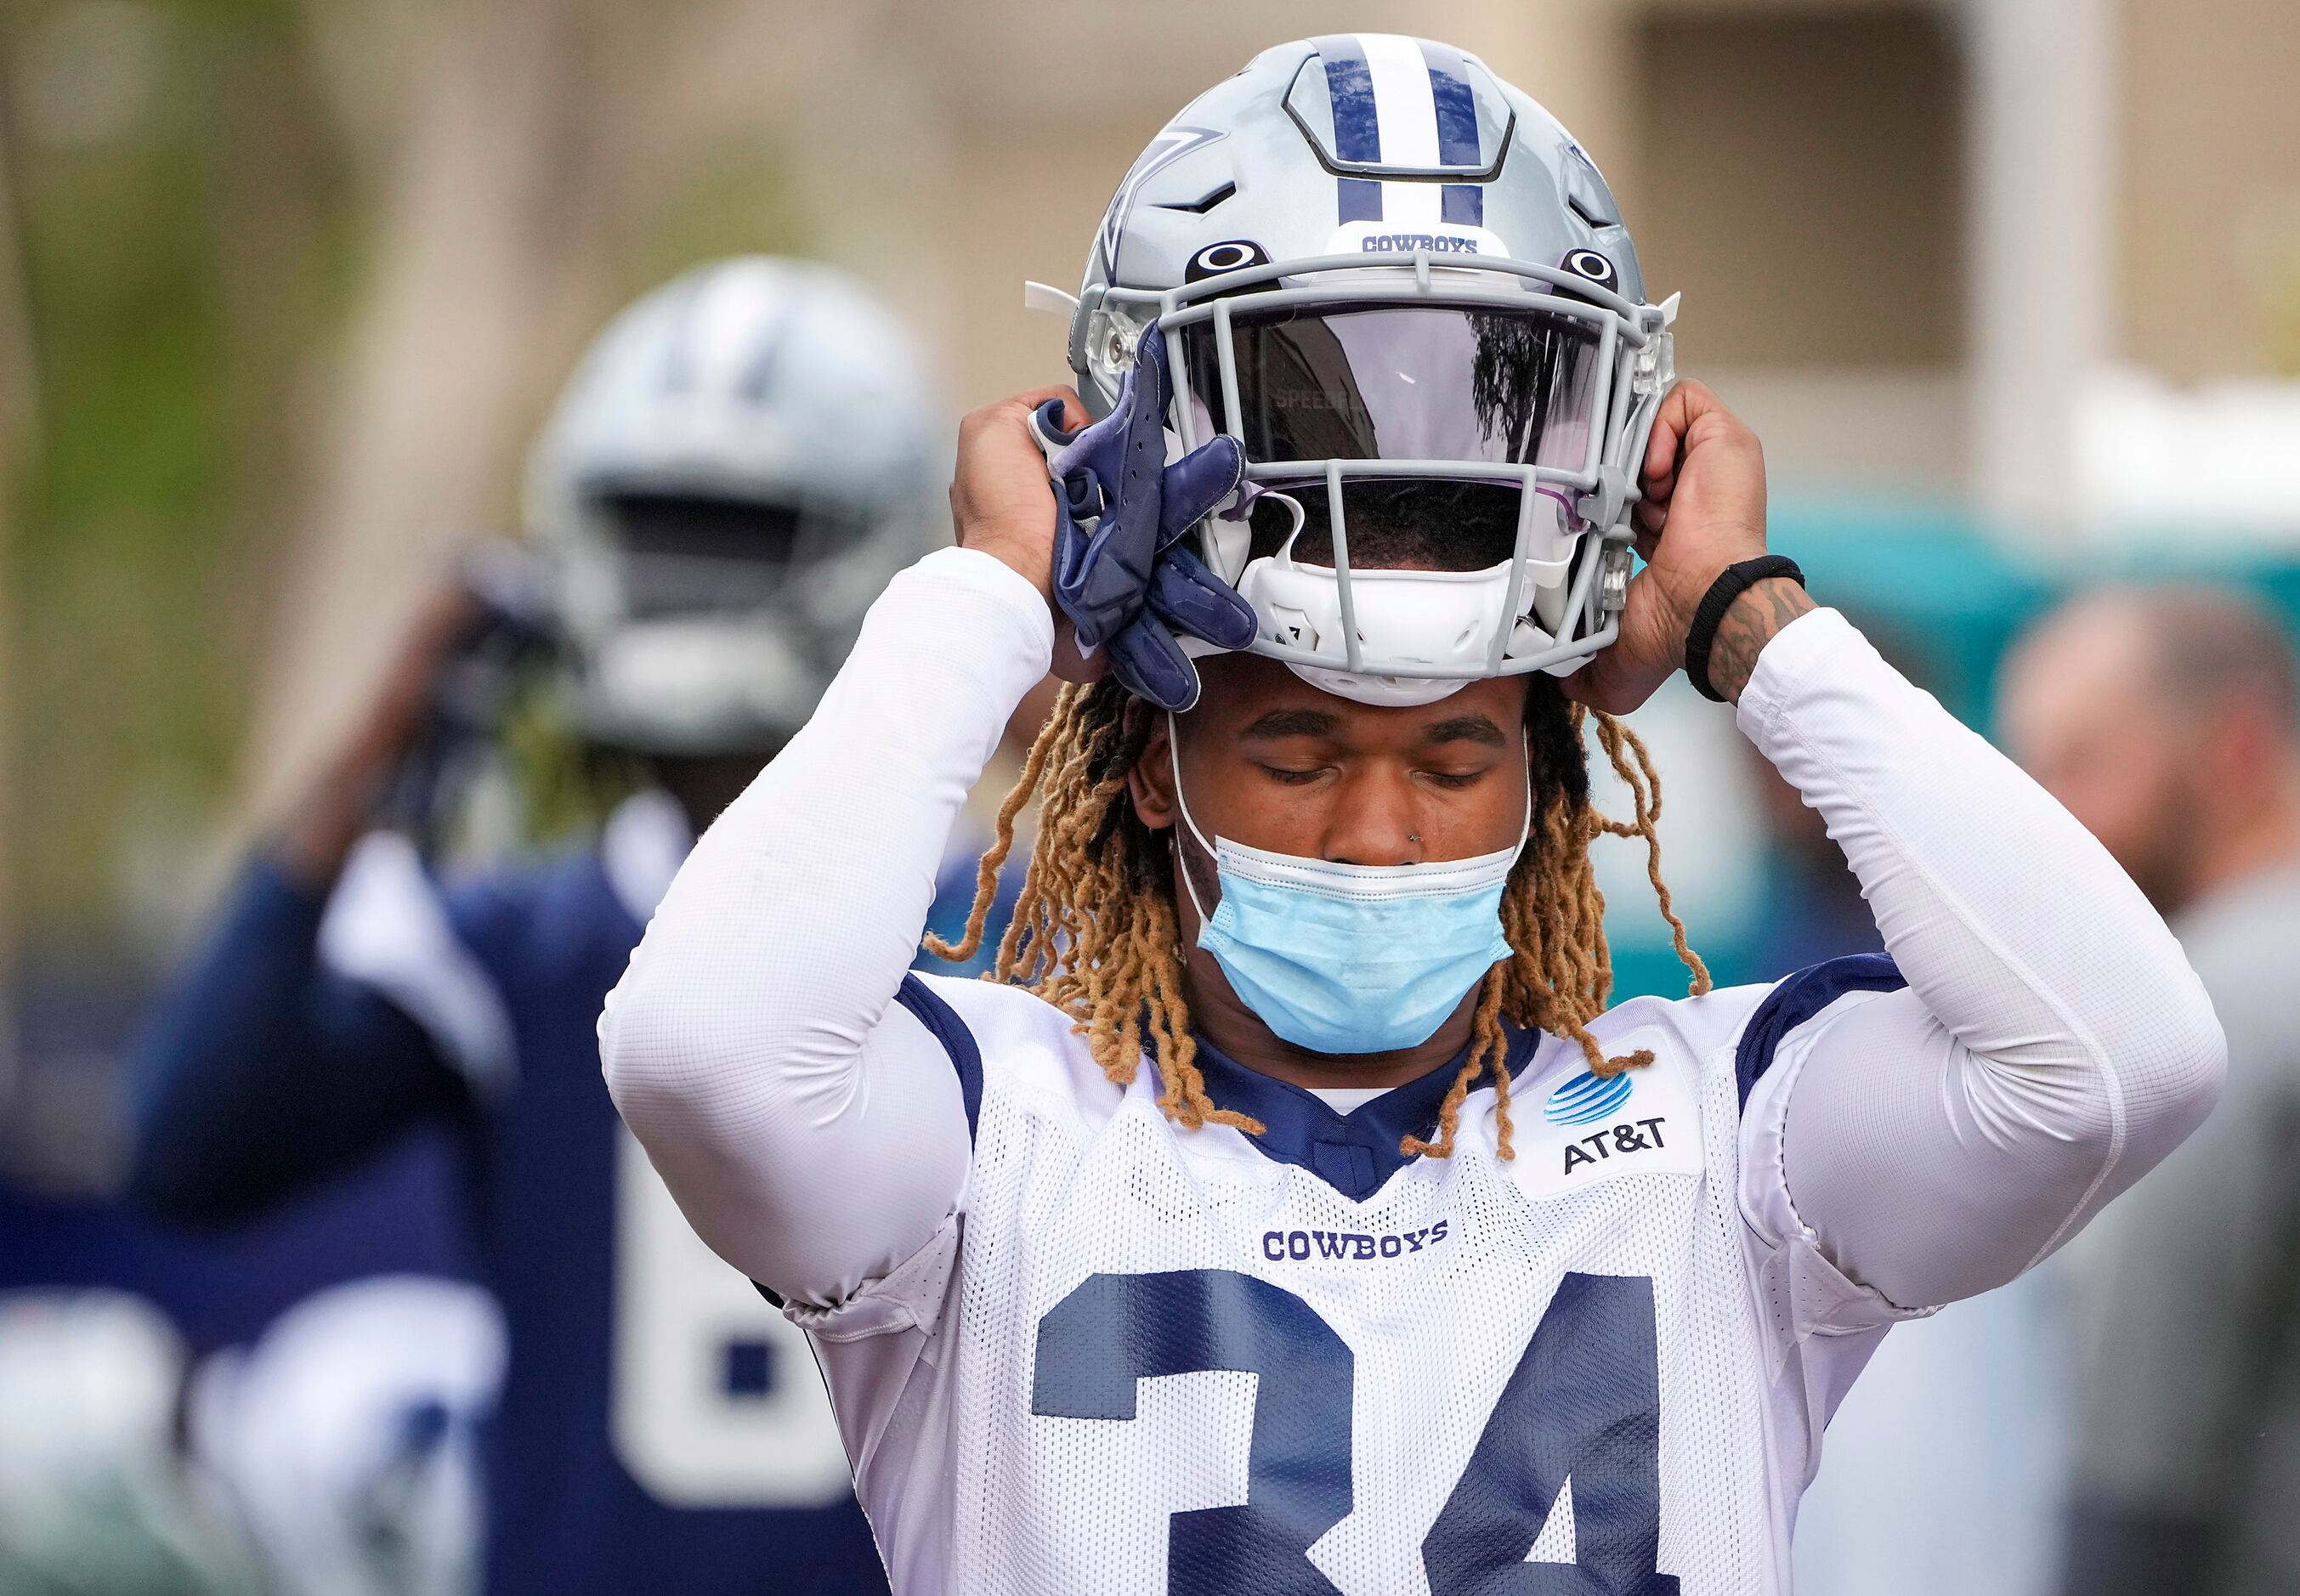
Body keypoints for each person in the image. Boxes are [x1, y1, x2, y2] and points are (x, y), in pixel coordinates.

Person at [603, 38, 2225, 1593]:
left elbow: (2123, 1061)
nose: (1379, 833)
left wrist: (1746, 613)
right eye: (1299, 757)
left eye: (1453, 764)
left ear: (1544, 778)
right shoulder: (988, 1140)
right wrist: (991, 599)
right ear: (1154, 774)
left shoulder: (1728, 1139)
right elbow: (699, 1048)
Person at [127, 258, 932, 1595]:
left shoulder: (1028, 940)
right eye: (656, 524)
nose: (685, 580)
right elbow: (187, 1148)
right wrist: (379, 748)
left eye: (743, 529)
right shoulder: (509, 945)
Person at [2002, 584, 2300, 1596]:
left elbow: (2136, 1465)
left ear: (2237, 751)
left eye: (2081, 762)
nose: (2044, 818)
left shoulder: (2215, 1013)